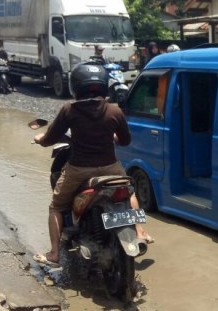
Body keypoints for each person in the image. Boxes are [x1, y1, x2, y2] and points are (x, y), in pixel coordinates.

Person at [33, 62, 153, 267]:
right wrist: (113, 136)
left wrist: (39, 138)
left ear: (75, 86)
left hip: (78, 169)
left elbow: (50, 138)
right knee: (130, 192)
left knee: (56, 206)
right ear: (103, 85)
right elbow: (125, 141)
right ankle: (140, 231)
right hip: (110, 167)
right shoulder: (114, 110)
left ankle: (54, 254)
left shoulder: (69, 110)